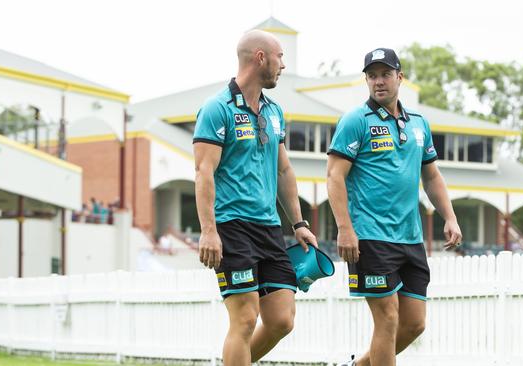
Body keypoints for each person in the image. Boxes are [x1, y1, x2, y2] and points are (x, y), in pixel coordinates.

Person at [326, 48, 463, 366]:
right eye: (372, 76)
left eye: (385, 74)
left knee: (414, 324)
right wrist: (345, 229)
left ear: (399, 77)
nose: (378, 82)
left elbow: (431, 176)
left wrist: (450, 217)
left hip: (410, 238)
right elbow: (334, 176)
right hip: (370, 236)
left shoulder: (419, 124)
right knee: (387, 319)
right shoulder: (355, 121)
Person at [193, 29, 317, 365]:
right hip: (231, 226)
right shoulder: (216, 109)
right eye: (280, 57)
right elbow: (204, 172)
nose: (283, 65)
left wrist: (299, 222)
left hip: (269, 228)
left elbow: (284, 171)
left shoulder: (274, 112)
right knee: (245, 318)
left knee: (281, 320)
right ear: (260, 57)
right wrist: (208, 230)